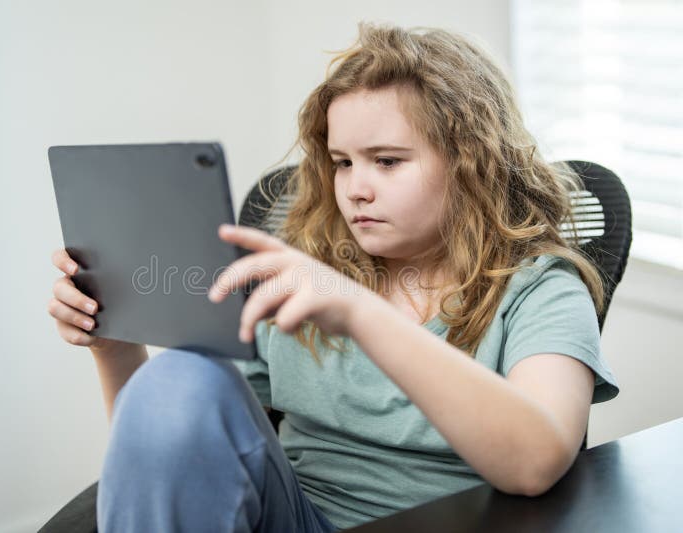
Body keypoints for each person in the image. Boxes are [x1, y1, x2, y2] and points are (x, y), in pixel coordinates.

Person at [47, 23, 619, 532]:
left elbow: (536, 462)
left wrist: (358, 313)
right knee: (179, 375)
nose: (355, 188)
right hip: (293, 515)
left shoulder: (540, 289)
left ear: (472, 161)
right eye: (343, 161)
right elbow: (176, 455)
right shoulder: (312, 274)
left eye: (387, 161)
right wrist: (115, 350)